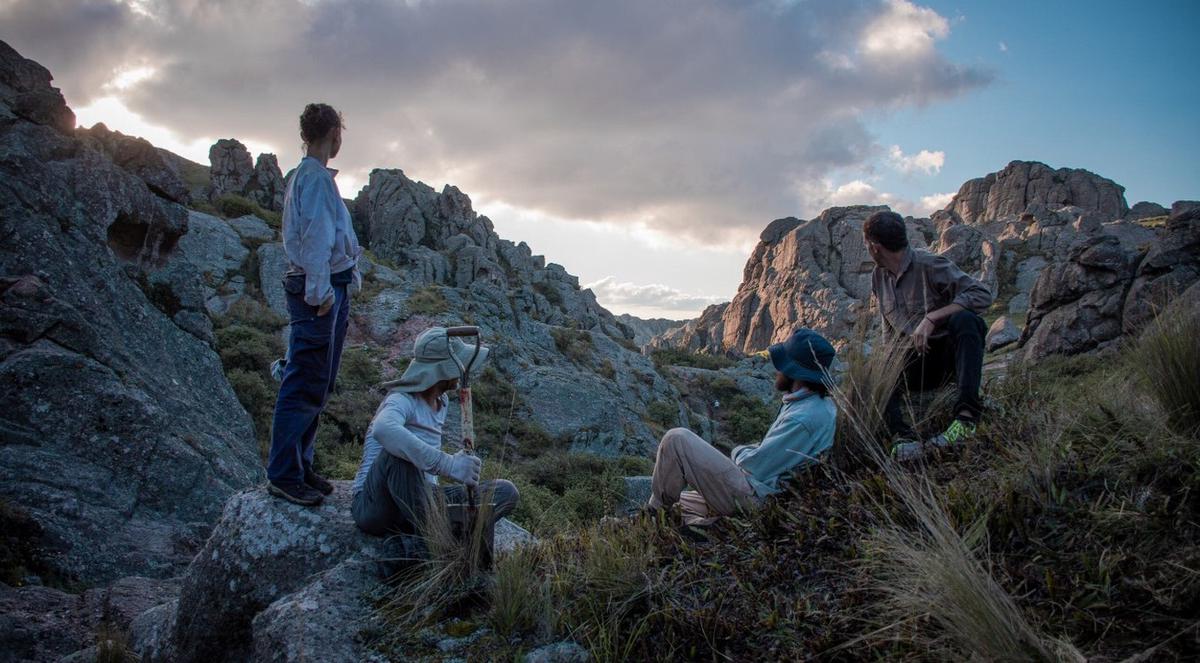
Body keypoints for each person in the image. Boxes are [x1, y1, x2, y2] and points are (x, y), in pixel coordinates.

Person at [266, 103, 363, 506]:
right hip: (317, 291)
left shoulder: (310, 177)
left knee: (316, 381)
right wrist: (321, 294)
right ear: (334, 135)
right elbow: (318, 239)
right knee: (304, 381)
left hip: (325, 286)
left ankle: (301, 465)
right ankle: (285, 474)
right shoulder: (316, 180)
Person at [647, 329, 838, 526]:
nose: (776, 370)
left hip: (759, 499)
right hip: (765, 490)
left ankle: (654, 518)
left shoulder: (804, 418)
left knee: (676, 439)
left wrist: (738, 450)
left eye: (781, 365)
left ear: (795, 372)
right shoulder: (811, 405)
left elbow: (754, 467)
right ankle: (704, 525)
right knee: (678, 503)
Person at [351, 327, 519, 541]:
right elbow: (383, 429)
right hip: (377, 503)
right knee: (399, 457)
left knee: (505, 492)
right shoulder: (403, 399)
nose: (461, 372)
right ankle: (439, 542)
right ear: (441, 370)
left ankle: (433, 536)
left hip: (421, 497)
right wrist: (449, 464)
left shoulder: (442, 401)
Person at [862, 210, 993, 461]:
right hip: (916, 363)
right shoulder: (878, 277)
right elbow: (887, 329)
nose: (867, 249)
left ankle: (965, 419)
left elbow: (982, 295)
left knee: (967, 320)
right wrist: (886, 366)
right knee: (873, 367)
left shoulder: (930, 265)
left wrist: (933, 318)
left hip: (947, 359)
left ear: (875, 246)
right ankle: (904, 438)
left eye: (867, 244)